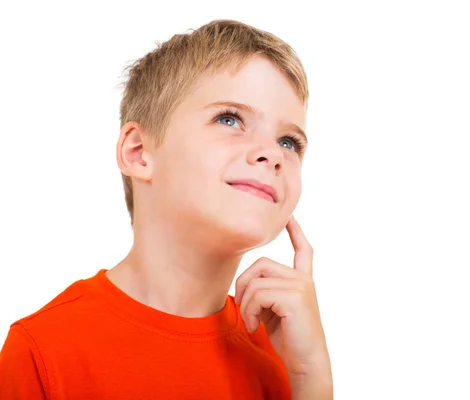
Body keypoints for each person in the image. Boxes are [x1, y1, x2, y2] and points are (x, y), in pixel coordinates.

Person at [0, 19, 332, 399]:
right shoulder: (43, 349)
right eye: (230, 118)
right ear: (138, 153)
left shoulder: (289, 352)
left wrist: (311, 379)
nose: (272, 154)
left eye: (290, 142)